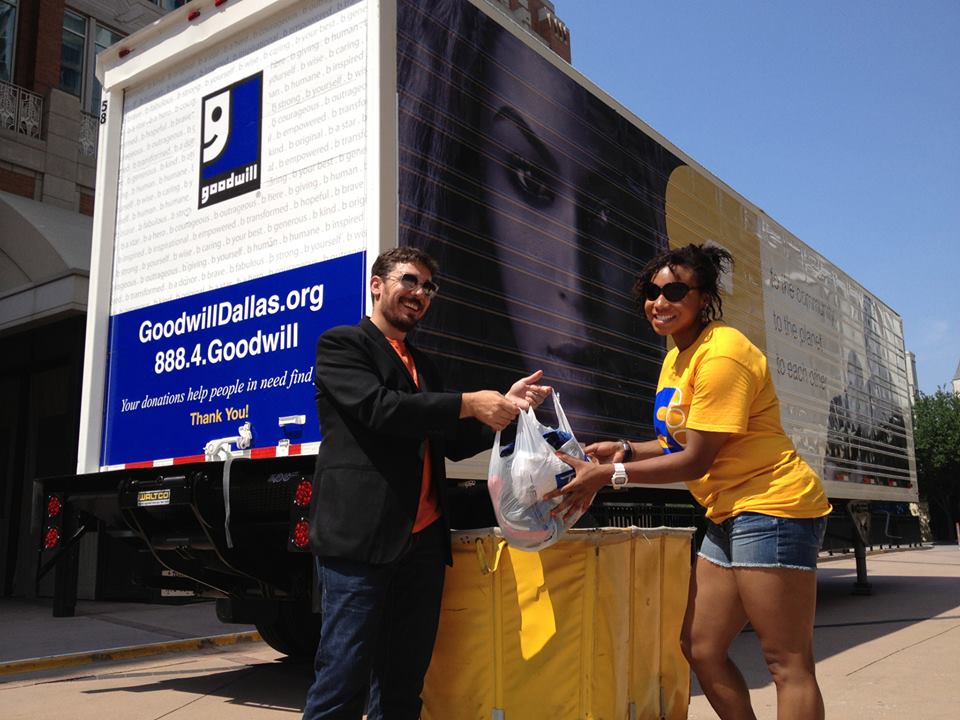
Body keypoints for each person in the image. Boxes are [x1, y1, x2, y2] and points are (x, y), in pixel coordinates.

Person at [546, 243, 832, 720]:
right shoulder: (677, 358)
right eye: (651, 291)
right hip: (726, 512)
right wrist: (627, 449)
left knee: (786, 662)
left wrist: (610, 475)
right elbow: (679, 441)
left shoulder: (723, 354)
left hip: (774, 508)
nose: (660, 302)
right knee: (701, 647)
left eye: (676, 292)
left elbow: (696, 459)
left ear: (704, 298)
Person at [302, 246, 550, 720]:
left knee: (404, 684)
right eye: (409, 280)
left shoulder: (424, 365)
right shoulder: (342, 345)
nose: (420, 293)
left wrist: (508, 408)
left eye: (428, 287)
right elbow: (379, 409)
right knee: (343, 680)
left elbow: (451, 443)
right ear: (377, 285)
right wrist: (468, 403)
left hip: (422, 546)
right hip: (361, 542)